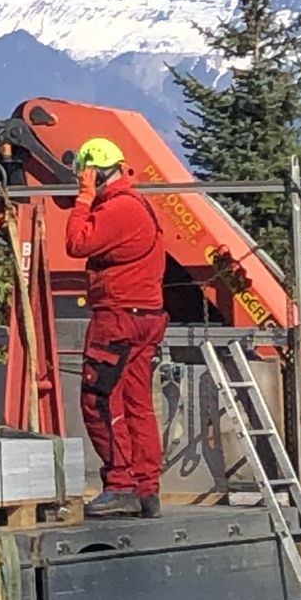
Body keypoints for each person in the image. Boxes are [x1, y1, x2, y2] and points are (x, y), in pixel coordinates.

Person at [65, 135, 168, 519]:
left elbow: (76, 242)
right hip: (146, 317)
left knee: (99, 400)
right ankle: (146, 488)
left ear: (92, 173)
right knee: (136, 403)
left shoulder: (119, 208)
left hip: (119, 319)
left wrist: (82, 199)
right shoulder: (137, 205)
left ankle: (122, 484)